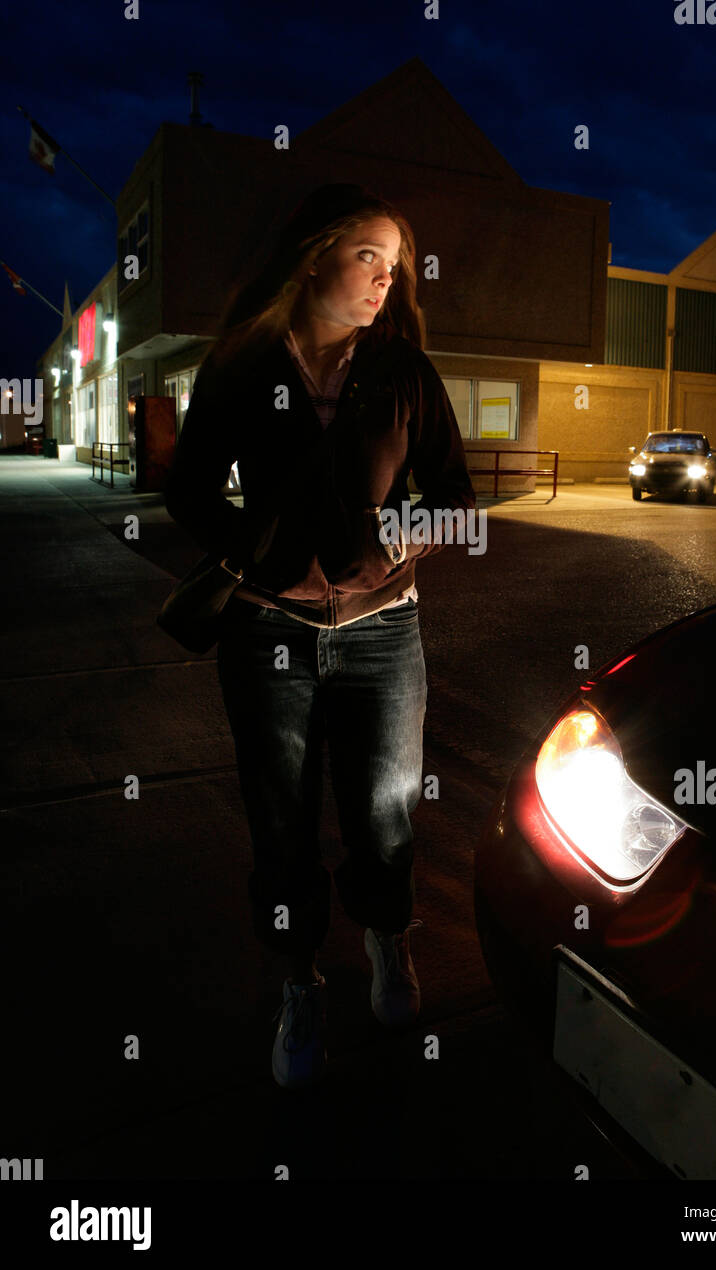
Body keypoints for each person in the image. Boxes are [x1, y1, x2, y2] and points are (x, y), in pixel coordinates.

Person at [163, 182, 476, 1089]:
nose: (385, 280)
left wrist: (421, 528)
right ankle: (299, 981)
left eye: (396, 266)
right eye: (368, 257)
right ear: (315, 257)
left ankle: (386, 939)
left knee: (383, 816)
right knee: (281, 823)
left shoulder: (404, 369)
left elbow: (455, 494)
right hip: (268, 634)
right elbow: (188, 491)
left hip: (385, 632)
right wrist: (249, 557)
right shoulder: (241, 363)